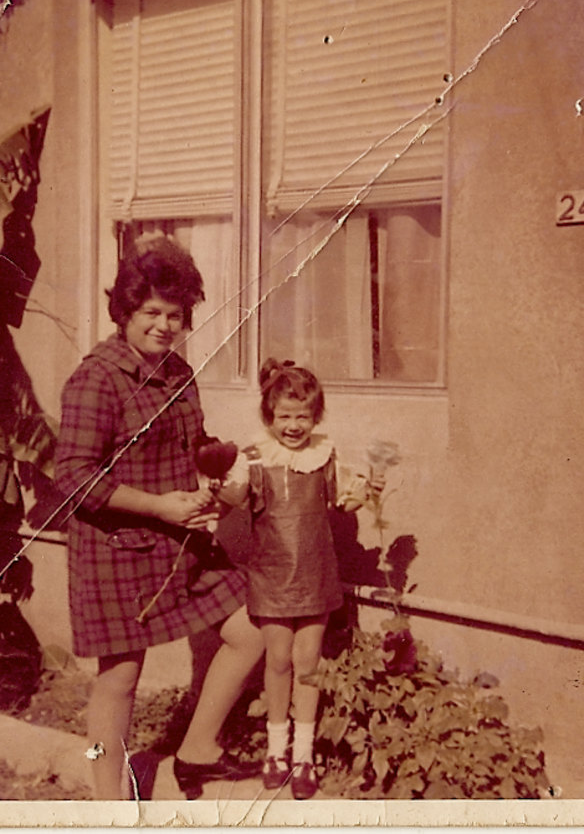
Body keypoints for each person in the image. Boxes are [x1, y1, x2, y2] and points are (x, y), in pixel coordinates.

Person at [54, 237, 264, 800]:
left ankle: (195, 752)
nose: (165, 325)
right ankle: (108, 800)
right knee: (119, 679)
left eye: (175, 314)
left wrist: (221, 483)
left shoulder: (178, 374)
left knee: (252, 629)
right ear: (125, 312)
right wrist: (157, 505)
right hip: (116, 549)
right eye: (151, 312)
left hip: (179, 545)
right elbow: (71, 475)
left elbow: (196, 446)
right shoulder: (96, 378)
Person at [218, 358, 385, 800]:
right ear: (269, 416)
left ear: (316, 416)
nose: (294, 426)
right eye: (285, 416)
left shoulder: (324, 456)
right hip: (271, 575)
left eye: (303, 416)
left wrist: (368, 490)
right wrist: (217, 475)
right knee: (277, 660)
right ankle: (276, 750)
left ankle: (304, 756)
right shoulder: (254, 459)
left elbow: (342, 505)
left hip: (315, 573)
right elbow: (233, 497)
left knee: (308, 663)